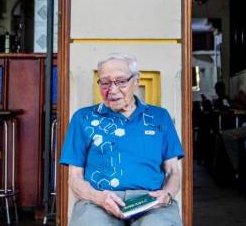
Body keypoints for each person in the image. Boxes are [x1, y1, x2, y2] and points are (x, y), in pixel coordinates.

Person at [60, 54, 184, 225]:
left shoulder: (159, 117)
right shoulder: (83, 118)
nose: (112, 89)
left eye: (121, 81)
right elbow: (74, 178)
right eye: (105, 82)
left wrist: (167, 194)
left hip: (150, 200)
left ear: (137, 80)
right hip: (99, 200)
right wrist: (98, 197)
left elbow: (173, 172)